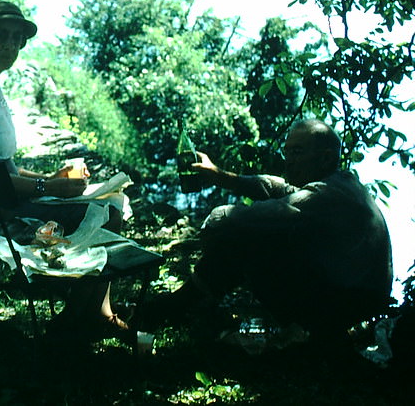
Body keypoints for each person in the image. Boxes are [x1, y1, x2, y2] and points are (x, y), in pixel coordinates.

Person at [0, 0, 130, 339]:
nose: (10, 45)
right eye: (0, 35)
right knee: (109, 214)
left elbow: (1, 165)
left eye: (17, 38)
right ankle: (74, 325)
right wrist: (48, 190)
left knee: (113, 203)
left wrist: (49, 179)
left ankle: (95, 312)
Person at [146, 119, 393, 339]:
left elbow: (238, 220)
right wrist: (219, 176)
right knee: (254, 234)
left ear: (326, 157)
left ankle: (179, 306)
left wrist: (213, 226)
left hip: (345, 306)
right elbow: (274, 186)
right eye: (287, 153)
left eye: (297, 153)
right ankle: (187, 304)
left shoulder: (326, 195)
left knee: (244, 236)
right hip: (352, 299)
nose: (289, 162)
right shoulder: (341, 184)